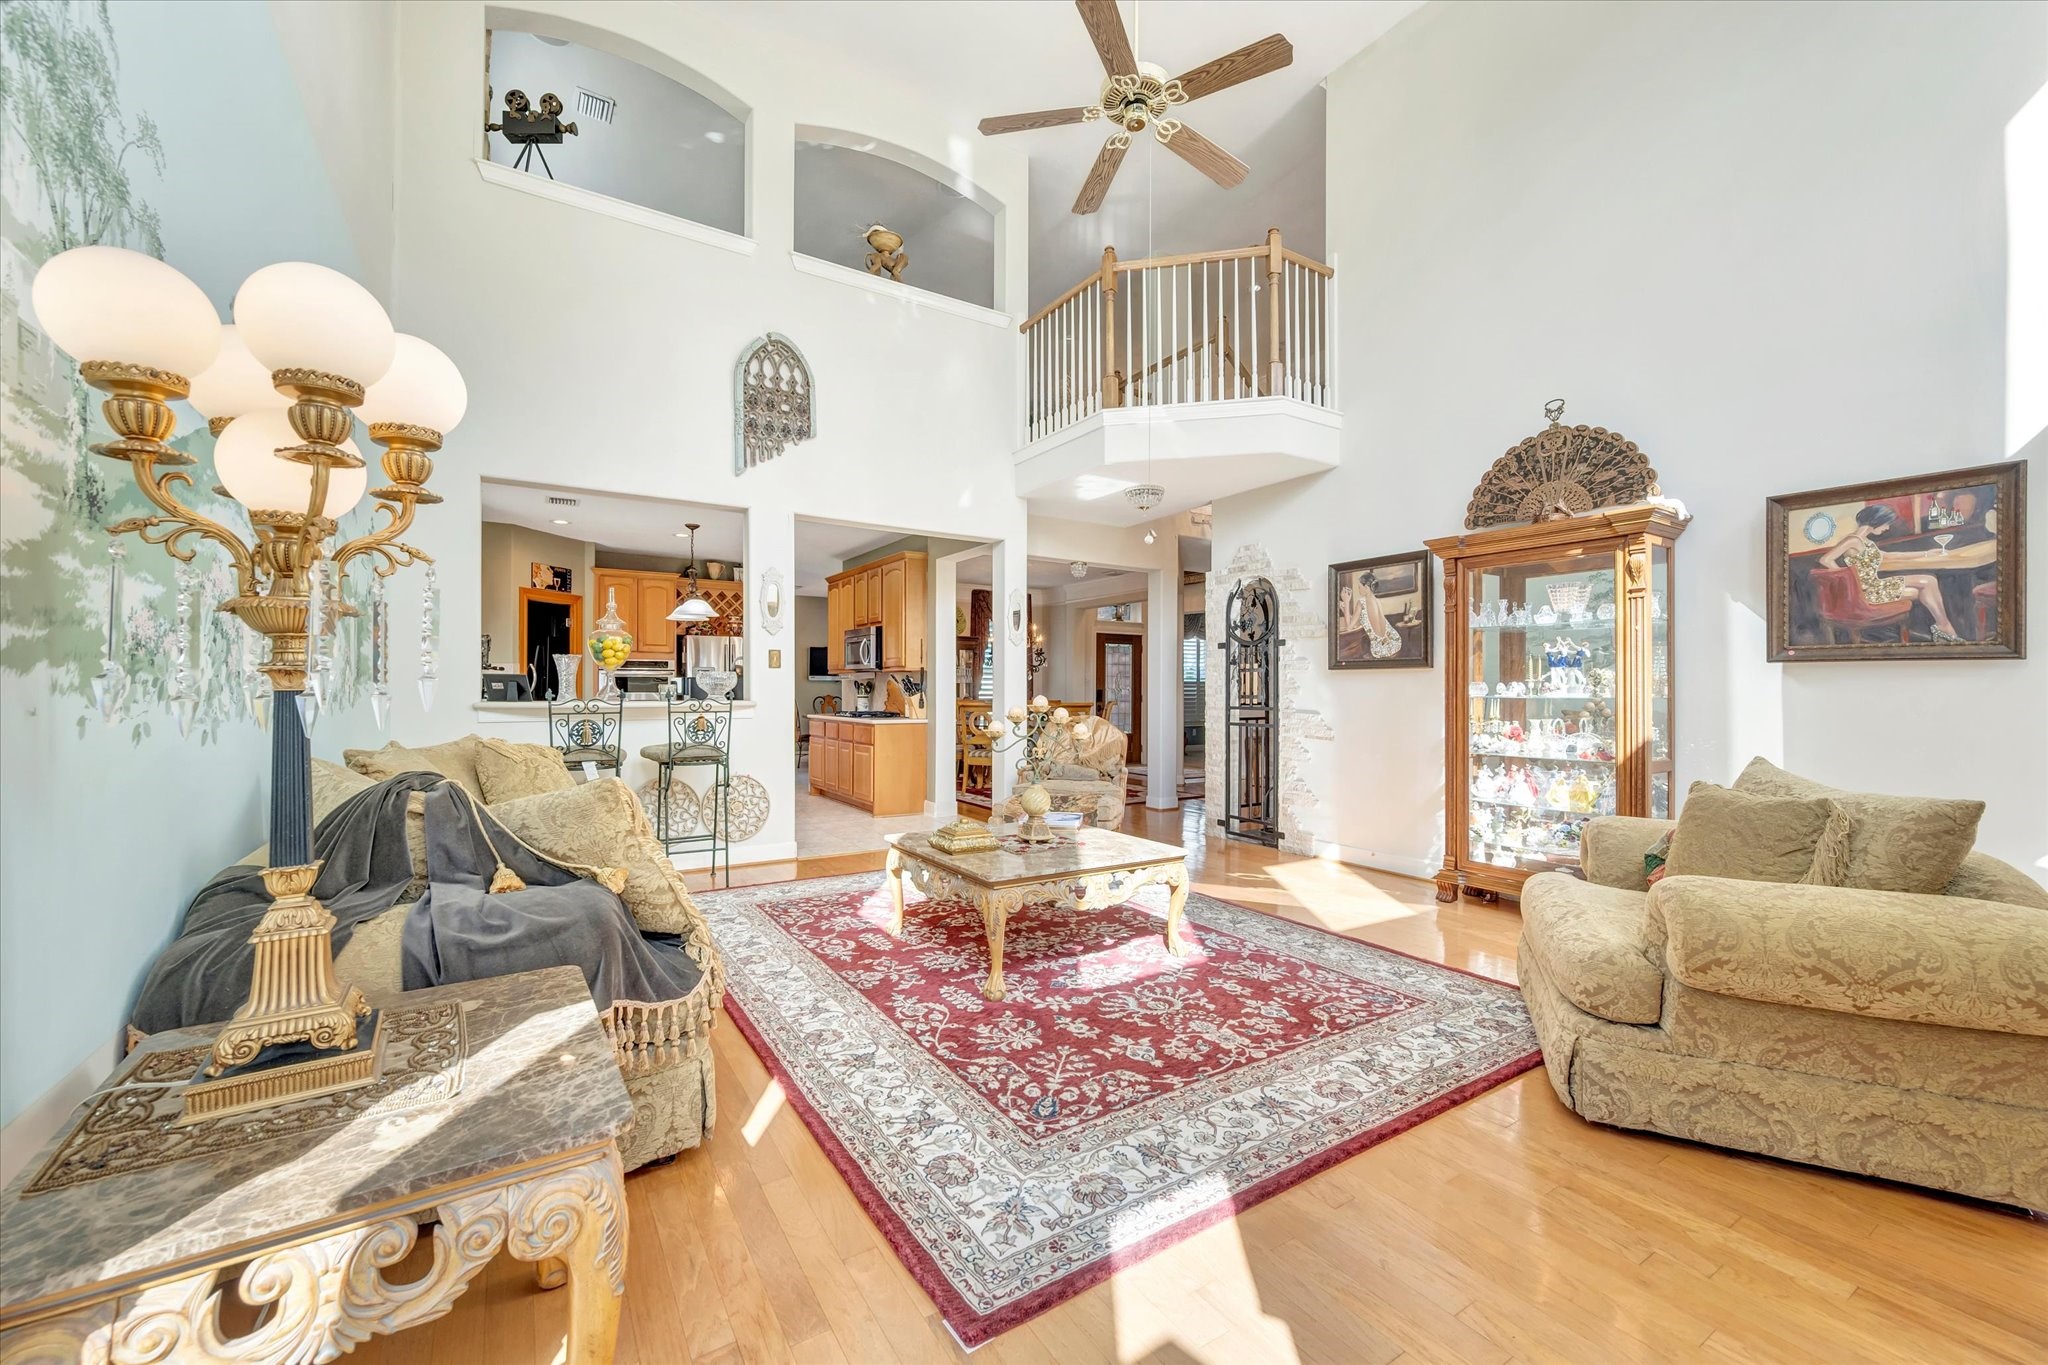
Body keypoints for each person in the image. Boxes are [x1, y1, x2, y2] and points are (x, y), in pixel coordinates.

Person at [1817, 504, 1964, 642]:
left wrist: (1926, 553)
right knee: (1924, 588)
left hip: (1875, 586)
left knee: (1928, 581)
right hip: (1867, 592)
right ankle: (1944, 629)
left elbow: (1888, 555)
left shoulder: (1866, 541)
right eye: (1886, 523)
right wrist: (1849, 582)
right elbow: (1826, 559)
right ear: (1877, 521)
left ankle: (1943, 627)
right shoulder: (1852, 540)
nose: (1887, 528)